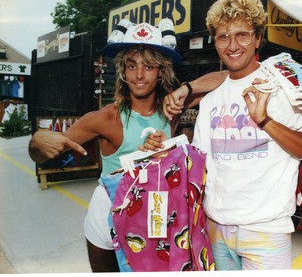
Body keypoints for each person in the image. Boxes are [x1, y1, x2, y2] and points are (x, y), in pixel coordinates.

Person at [149, 0, 302, 270]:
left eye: (242, 34)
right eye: (224, 36)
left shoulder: (284, 89)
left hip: (266, 232)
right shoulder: (210, 100)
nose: (232, 45)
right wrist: (165, 149)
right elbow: (200, 167)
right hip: (216, 230)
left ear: (258, 38)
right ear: (215, 42)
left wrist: (266, 122)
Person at [28, 19, 223, 272]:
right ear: (122, 71)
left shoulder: (171, 109)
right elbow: (42, 155)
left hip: (155, 219)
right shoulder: (106, 118)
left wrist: (187, 88)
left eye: (149, 66)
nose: (139, 75)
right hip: (108, 219)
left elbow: (228, 77)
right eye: (131, 66)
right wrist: (36, 142)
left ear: (161, 71)